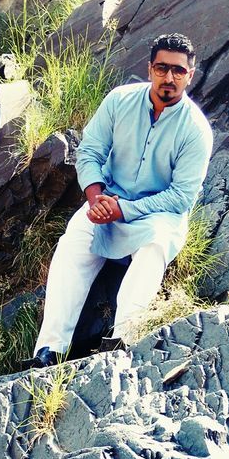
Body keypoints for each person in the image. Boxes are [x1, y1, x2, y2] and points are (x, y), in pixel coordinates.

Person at [28, 32, 213, 367]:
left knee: (155, 246)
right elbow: (89, 153)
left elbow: (181, 196)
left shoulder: (196, 130)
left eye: (178, 71)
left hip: (158, 213)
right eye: (161, 68)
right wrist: (96, 197)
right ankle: (49, 350)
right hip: (107, 201)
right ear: (149, 69)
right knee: (73, 240)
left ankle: (122, 340)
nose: (168, 78)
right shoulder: (119, 101)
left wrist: (124, 209)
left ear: (190, 75)